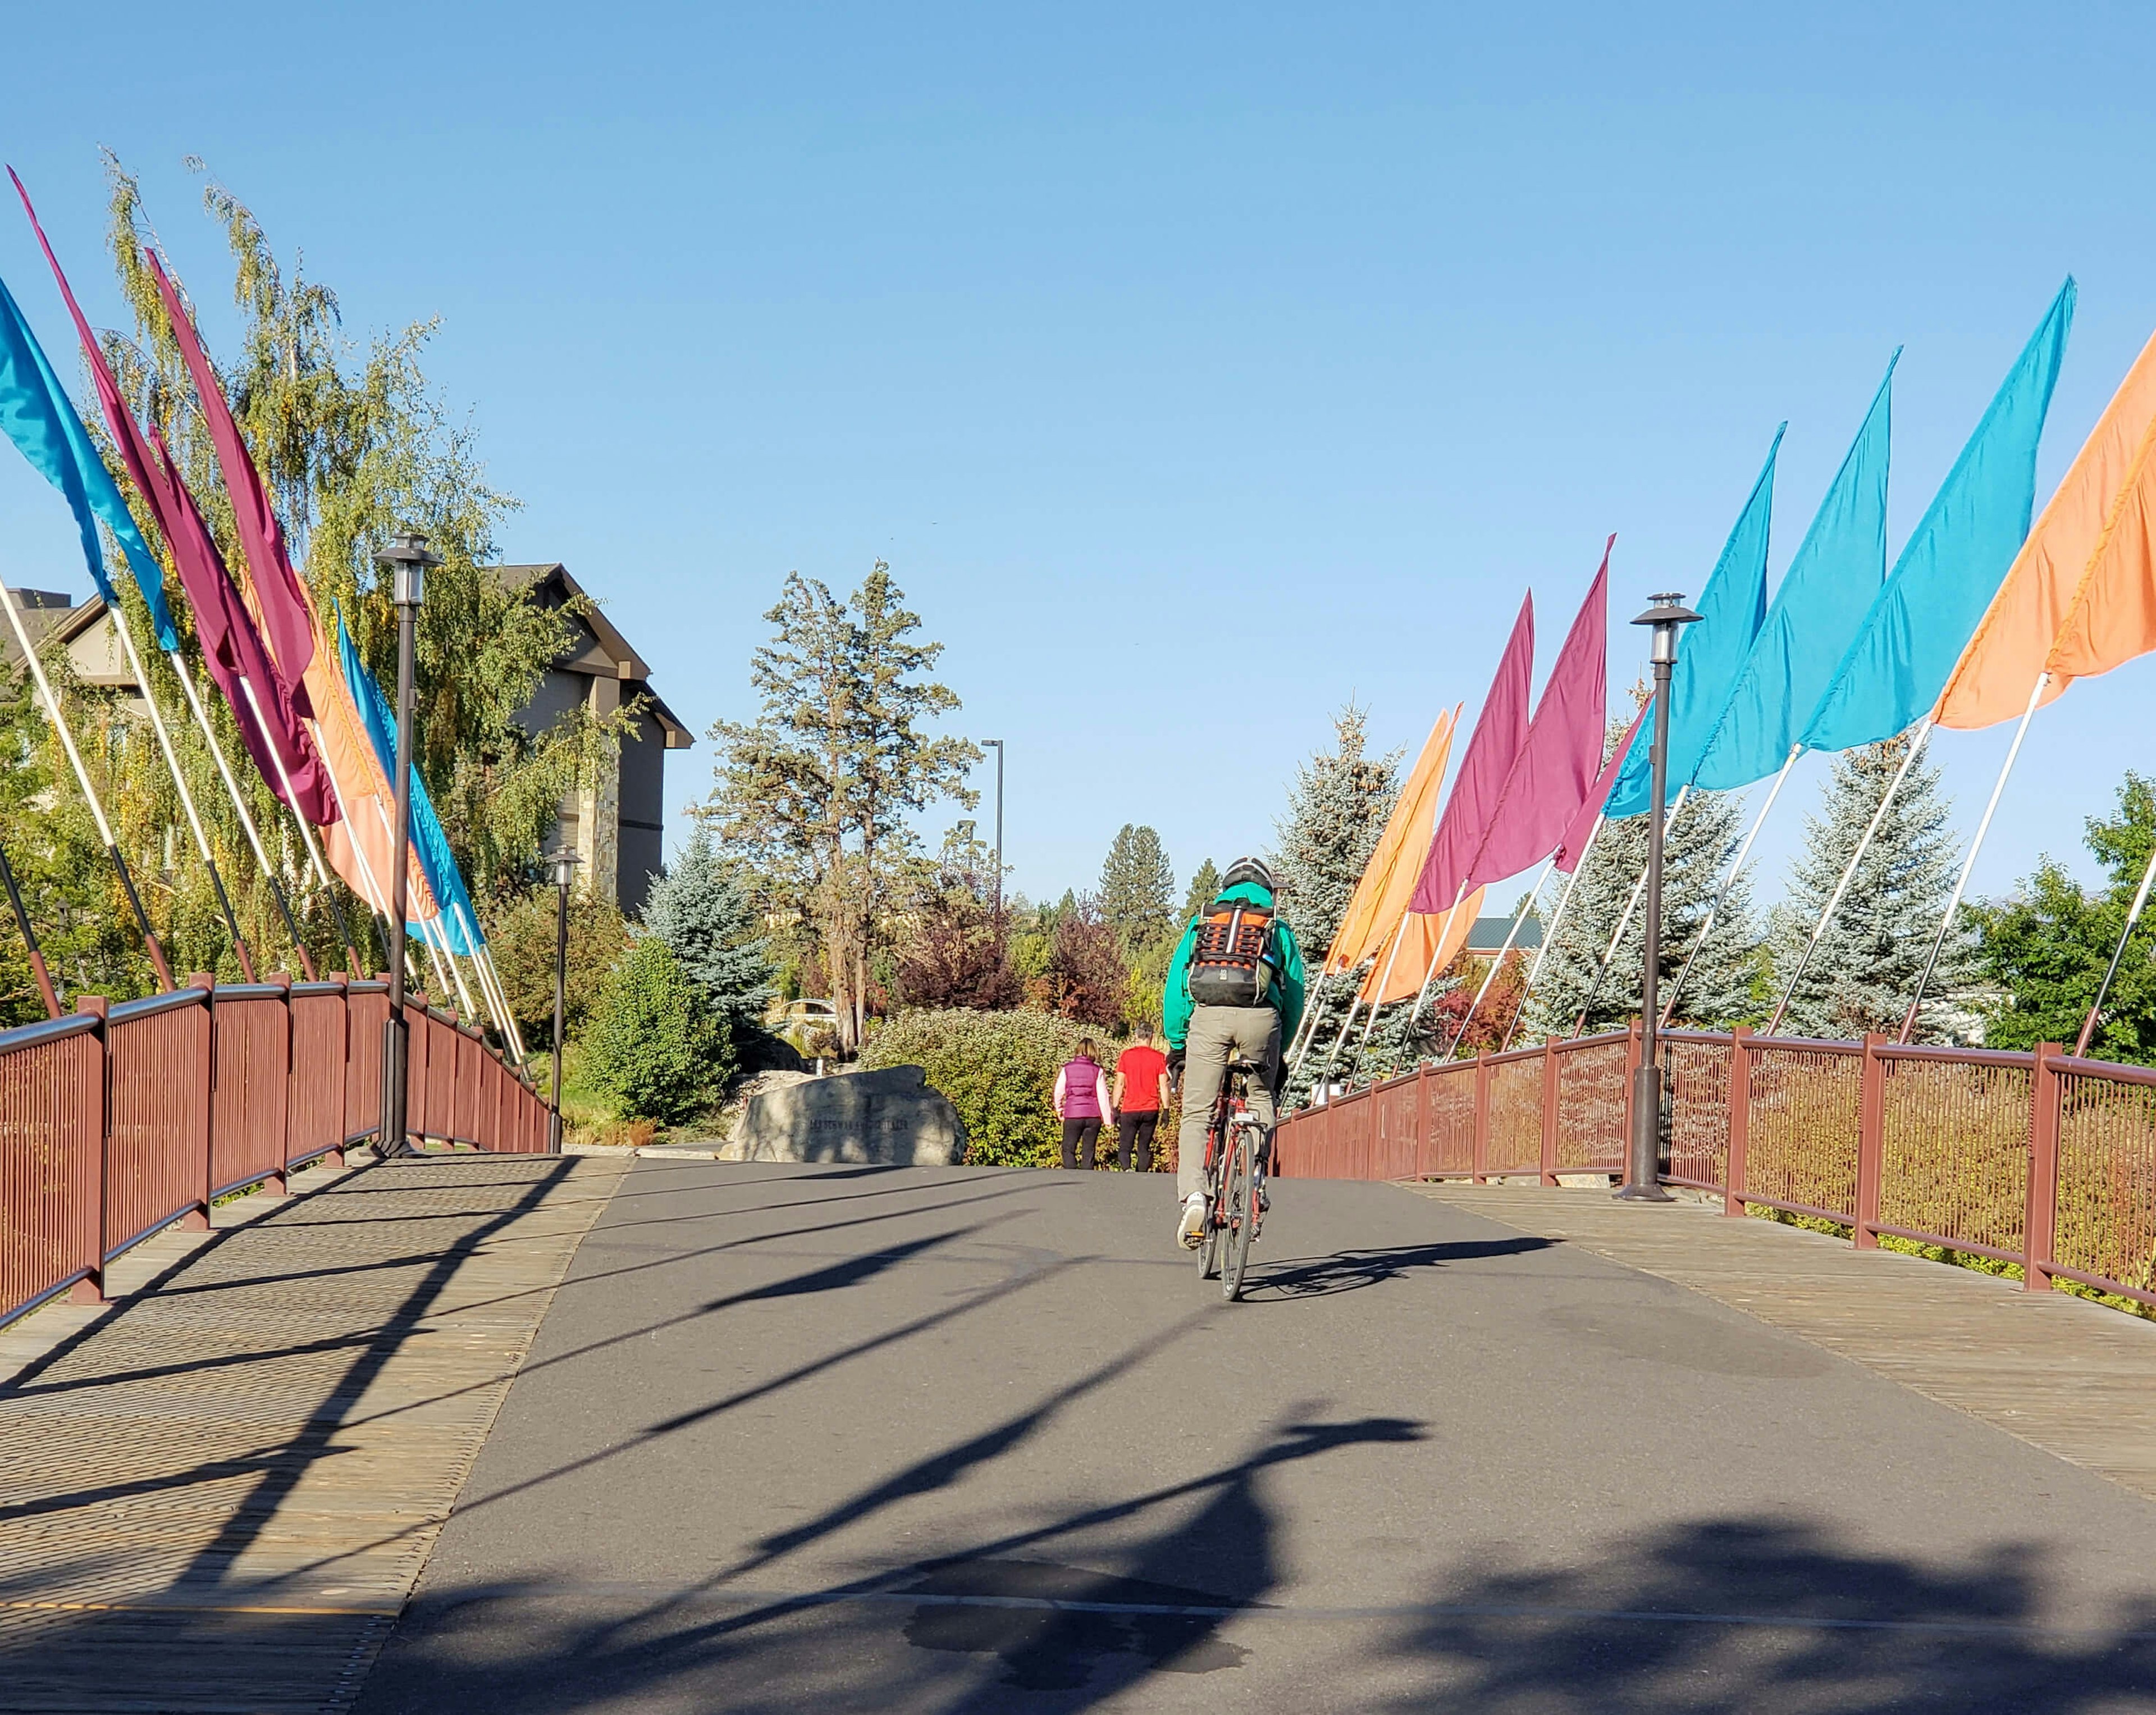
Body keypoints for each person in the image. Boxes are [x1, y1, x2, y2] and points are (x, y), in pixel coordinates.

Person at [1161, 856, 1306, 1248]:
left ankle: (1195, 1196)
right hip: (1262, 1018)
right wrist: (1281, 1050)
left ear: (1225, 887)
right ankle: (1254, 1183)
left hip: (1209, 1019)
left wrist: (1177, 1044)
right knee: (1260, 1097)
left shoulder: (1204, 922)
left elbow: (1177, 987)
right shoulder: (1276, 926)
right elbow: (1294, 996)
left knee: (1198, 1112)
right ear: (1266, 889)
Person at [1112, 1025, 1172, 1172]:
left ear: (1136, 1036)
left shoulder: (1126, 1056)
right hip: (1150, 1107)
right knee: (1144, 1148)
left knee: (1125, 1147)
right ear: (1151, 1037)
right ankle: (1141, 1175)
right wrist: (1166, 1110)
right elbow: (1164, 1086)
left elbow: (1120, 1083)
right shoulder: (1159, 1057)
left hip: (1130, 1108)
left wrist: (1114, 1107)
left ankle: (1127, 1170)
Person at [1053, 1039, 1114, 1169]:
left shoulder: (1067, 1069)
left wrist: (1059, 1109)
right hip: (1093, 1116)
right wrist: (1108, 1120)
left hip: (1073, 1114)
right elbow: (1103, 1096)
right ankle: (1087, 1179)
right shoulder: (1098, 1071)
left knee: (1068, 1149)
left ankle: (1072, 1175)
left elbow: (1058, 1092)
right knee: (1089, 1151)